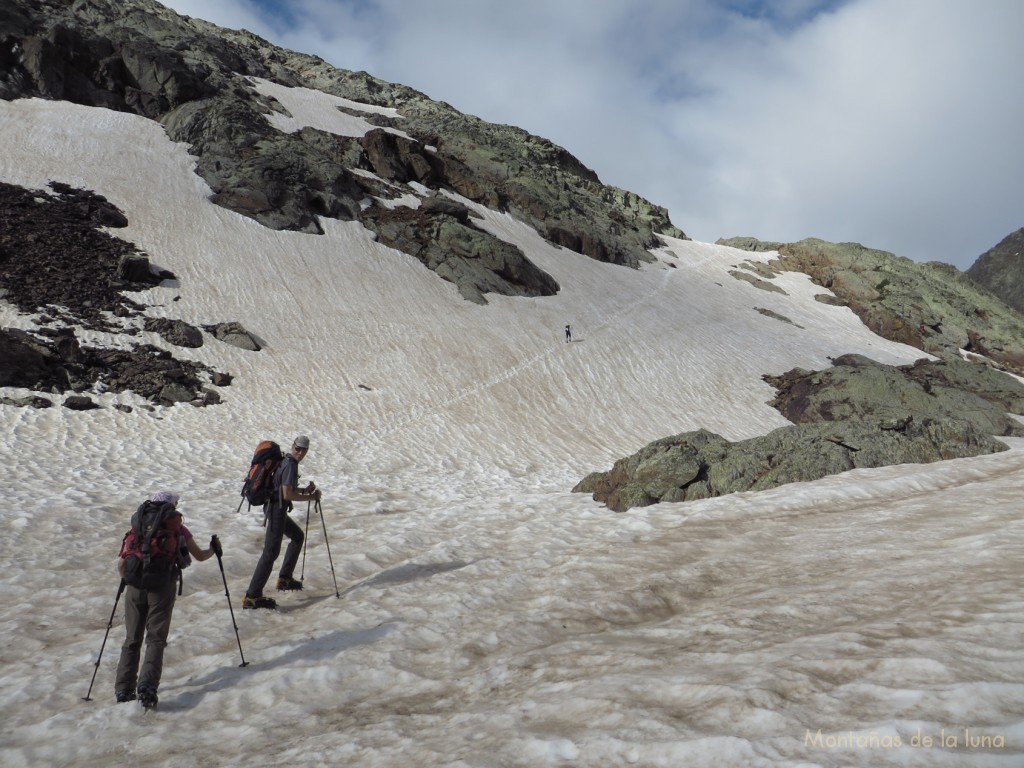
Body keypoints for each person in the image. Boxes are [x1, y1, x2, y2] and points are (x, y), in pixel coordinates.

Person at [115, 491, 219, 708]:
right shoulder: (177, 529)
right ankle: (147, 686)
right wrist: (214, 550)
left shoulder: (138, 525)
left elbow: (122, 563)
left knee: (132, 638)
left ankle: (124, 689)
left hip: (134, 586)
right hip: (162, 586)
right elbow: (198, 556)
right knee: (155, 638)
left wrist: (128, 579)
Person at [243, 434, 321, 609]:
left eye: (302, 450)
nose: (299, 452)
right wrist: (311, 496)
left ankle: (284, 579)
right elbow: (287, 494)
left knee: (297, 536)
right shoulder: (290, 465)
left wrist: (304, 490)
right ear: (293, 446)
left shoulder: (287, 461)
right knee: (270, 553)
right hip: (276, 510)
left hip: (276, 508)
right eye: (297, 448)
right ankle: (252, 596)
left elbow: (285, 489)